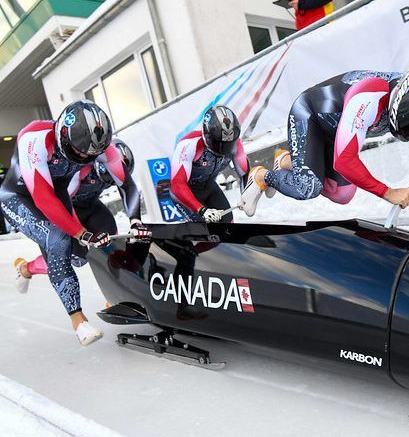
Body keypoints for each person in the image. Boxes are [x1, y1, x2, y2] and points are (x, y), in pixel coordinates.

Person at [0, 101, 149, 346]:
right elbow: (42, 197)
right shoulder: (34, 137)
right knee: (58, 238)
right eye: (80, 153)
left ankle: (26, 269)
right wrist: (80, 232)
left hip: (55, 195)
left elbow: (128, 185)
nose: (85, 159)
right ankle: (78, 320)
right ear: (63, 137)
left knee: (80, 256)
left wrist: (135, 220)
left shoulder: (104, 149)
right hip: (20, 197)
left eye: (91, 155)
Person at [239, 64, 409, 215]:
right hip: (310, 115)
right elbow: (344, 160)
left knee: (342, 194)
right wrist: (387, 192)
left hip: (339, 128)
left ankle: (288, 160)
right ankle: (263, 176)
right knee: (307, 187)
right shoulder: (369, 97)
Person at [13, 139, 149, 292]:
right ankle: (27, 268)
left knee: (110, 245)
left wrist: (136, 221)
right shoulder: (81, 169)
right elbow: (63, 201)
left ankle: (116, 292)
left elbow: (128, 190)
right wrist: (81, 233)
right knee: (74, 259)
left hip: (92, 207)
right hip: (66, 212)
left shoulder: (113, 164)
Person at [170, 105, 249, 223]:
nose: (222, 149)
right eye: (217, 143)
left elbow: (244, 173)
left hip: (209, 187)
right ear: (206, 134)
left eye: (228, 144)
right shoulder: (189, 144)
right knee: (206, 228)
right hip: (186, 192)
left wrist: (246, 196)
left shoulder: (236, 144)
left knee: (229, 223)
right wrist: (201, 210)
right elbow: (177, 183)